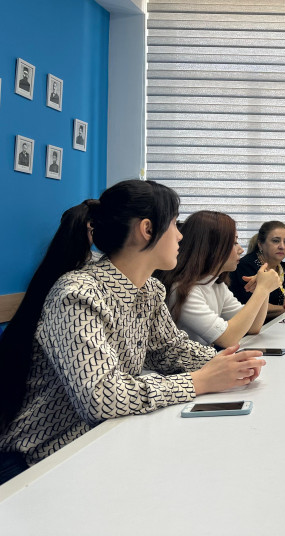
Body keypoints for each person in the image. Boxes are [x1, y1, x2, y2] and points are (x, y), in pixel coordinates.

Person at [0, 181, 267, 485]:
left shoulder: (150, 289)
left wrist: (234, 362)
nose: (180, 235)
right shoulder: (77, 294)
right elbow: (101, 396)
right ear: (147, 229)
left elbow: (172, 350)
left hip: (97, 442)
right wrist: (199, 381)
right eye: (174, 224)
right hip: (38, 461)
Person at [155, 211, 281, 348]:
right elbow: (227, 339)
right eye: (234, 243)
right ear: (211, 247)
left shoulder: (215, 285)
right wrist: (262, 289)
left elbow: (253, 327)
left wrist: (264, 288)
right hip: (187, 367)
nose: (241, 250)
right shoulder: (182, 290)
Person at [230, 220, 285, 317]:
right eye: (276, 241)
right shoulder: (244, 267)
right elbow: (250, 306)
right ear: (260, 244)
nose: (282, 246)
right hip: (257, 329)